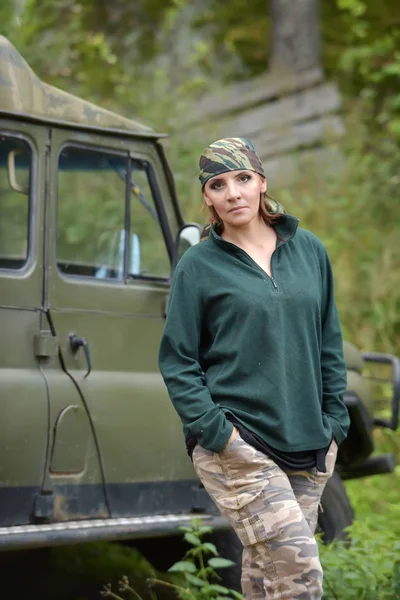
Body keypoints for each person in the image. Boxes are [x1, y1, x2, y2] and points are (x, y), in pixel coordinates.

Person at [158, 137, 350, 600]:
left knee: (267, 579)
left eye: (243, 179)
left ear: (262, 182)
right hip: (239, 444)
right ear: (208, 197)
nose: (233, 193)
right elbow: (178, 360)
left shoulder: (309, 251)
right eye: (218, 185)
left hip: (309, 442)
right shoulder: (198, 267)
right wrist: (218, 433)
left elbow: (329, 342)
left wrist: (335, 424)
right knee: (299, 574)